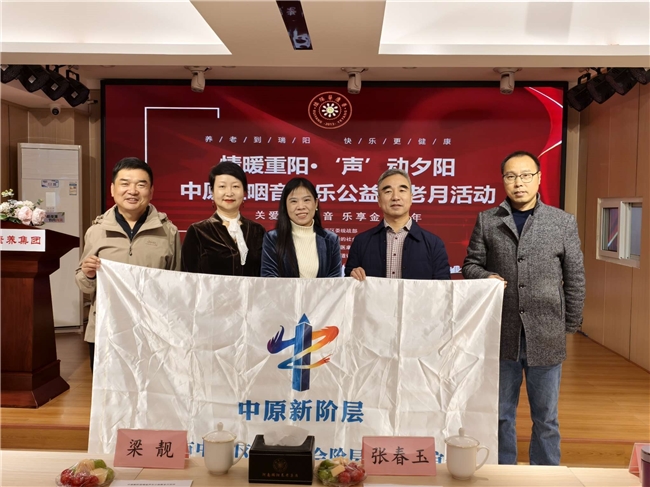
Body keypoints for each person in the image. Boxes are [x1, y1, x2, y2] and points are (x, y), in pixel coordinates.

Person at [462, 150, 585, 466]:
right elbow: (470, 265)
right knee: (501, 413)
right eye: (511, 176)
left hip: (547, 333)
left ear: (539, 178)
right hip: (502, 332)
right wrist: (485, 276)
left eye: (526, 175)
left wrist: (569, 324)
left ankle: (545, 475)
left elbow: (575, 276)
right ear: (503, 180)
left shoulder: (562, 222)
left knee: (546, 417)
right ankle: (503, 473)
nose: (519, 183)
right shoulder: (488, 220)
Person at [75, 157, 181, 371]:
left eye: (141, 185)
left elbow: (177, 283)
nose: (132, 191)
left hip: (153, 330)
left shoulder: (168, 231)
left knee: (151, 388)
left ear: (151, 191)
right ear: (112, 189)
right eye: (125, 183)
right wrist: (88, 274)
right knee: (108, 389)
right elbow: (85, 285)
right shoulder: (97, 231)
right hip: (106, 329)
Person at [345, 168, 450, 280]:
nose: (395, 197)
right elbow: (348, 285)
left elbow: (442, 287)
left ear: (411, 198)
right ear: (379, 200)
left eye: (402, 190)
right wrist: (353, 276)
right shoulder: (361, 242)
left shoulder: (434, 244)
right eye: (388, 191)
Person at [181, 162, 266, 276]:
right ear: (212, 192)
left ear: (244, 192)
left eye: (235, 186)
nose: (229, 193)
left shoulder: (258, 231)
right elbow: (188, 277)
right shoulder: (198, 231)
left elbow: (265, 276)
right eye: (222, 186)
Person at [261, 177, 341, 278]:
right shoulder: (273, 238)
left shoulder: (331, 240)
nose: (301, 207)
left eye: (306, 200)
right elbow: (269, 279)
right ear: (285, 206)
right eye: (294, 201)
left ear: (316, 203)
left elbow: (334, 281)